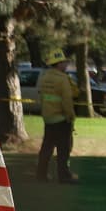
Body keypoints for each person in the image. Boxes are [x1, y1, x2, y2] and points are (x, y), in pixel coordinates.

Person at [35, 48, 79, 184]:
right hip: (61, 119)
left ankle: (41, 174)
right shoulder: (63, 79)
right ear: (59, 63)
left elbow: (42, 97)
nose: (66, 64)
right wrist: (71, 116)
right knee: (63, 149)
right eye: (64, 62)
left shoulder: (44, 77)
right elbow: (67, 101)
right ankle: (64, 176)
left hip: (48, 118)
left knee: (46, 148)